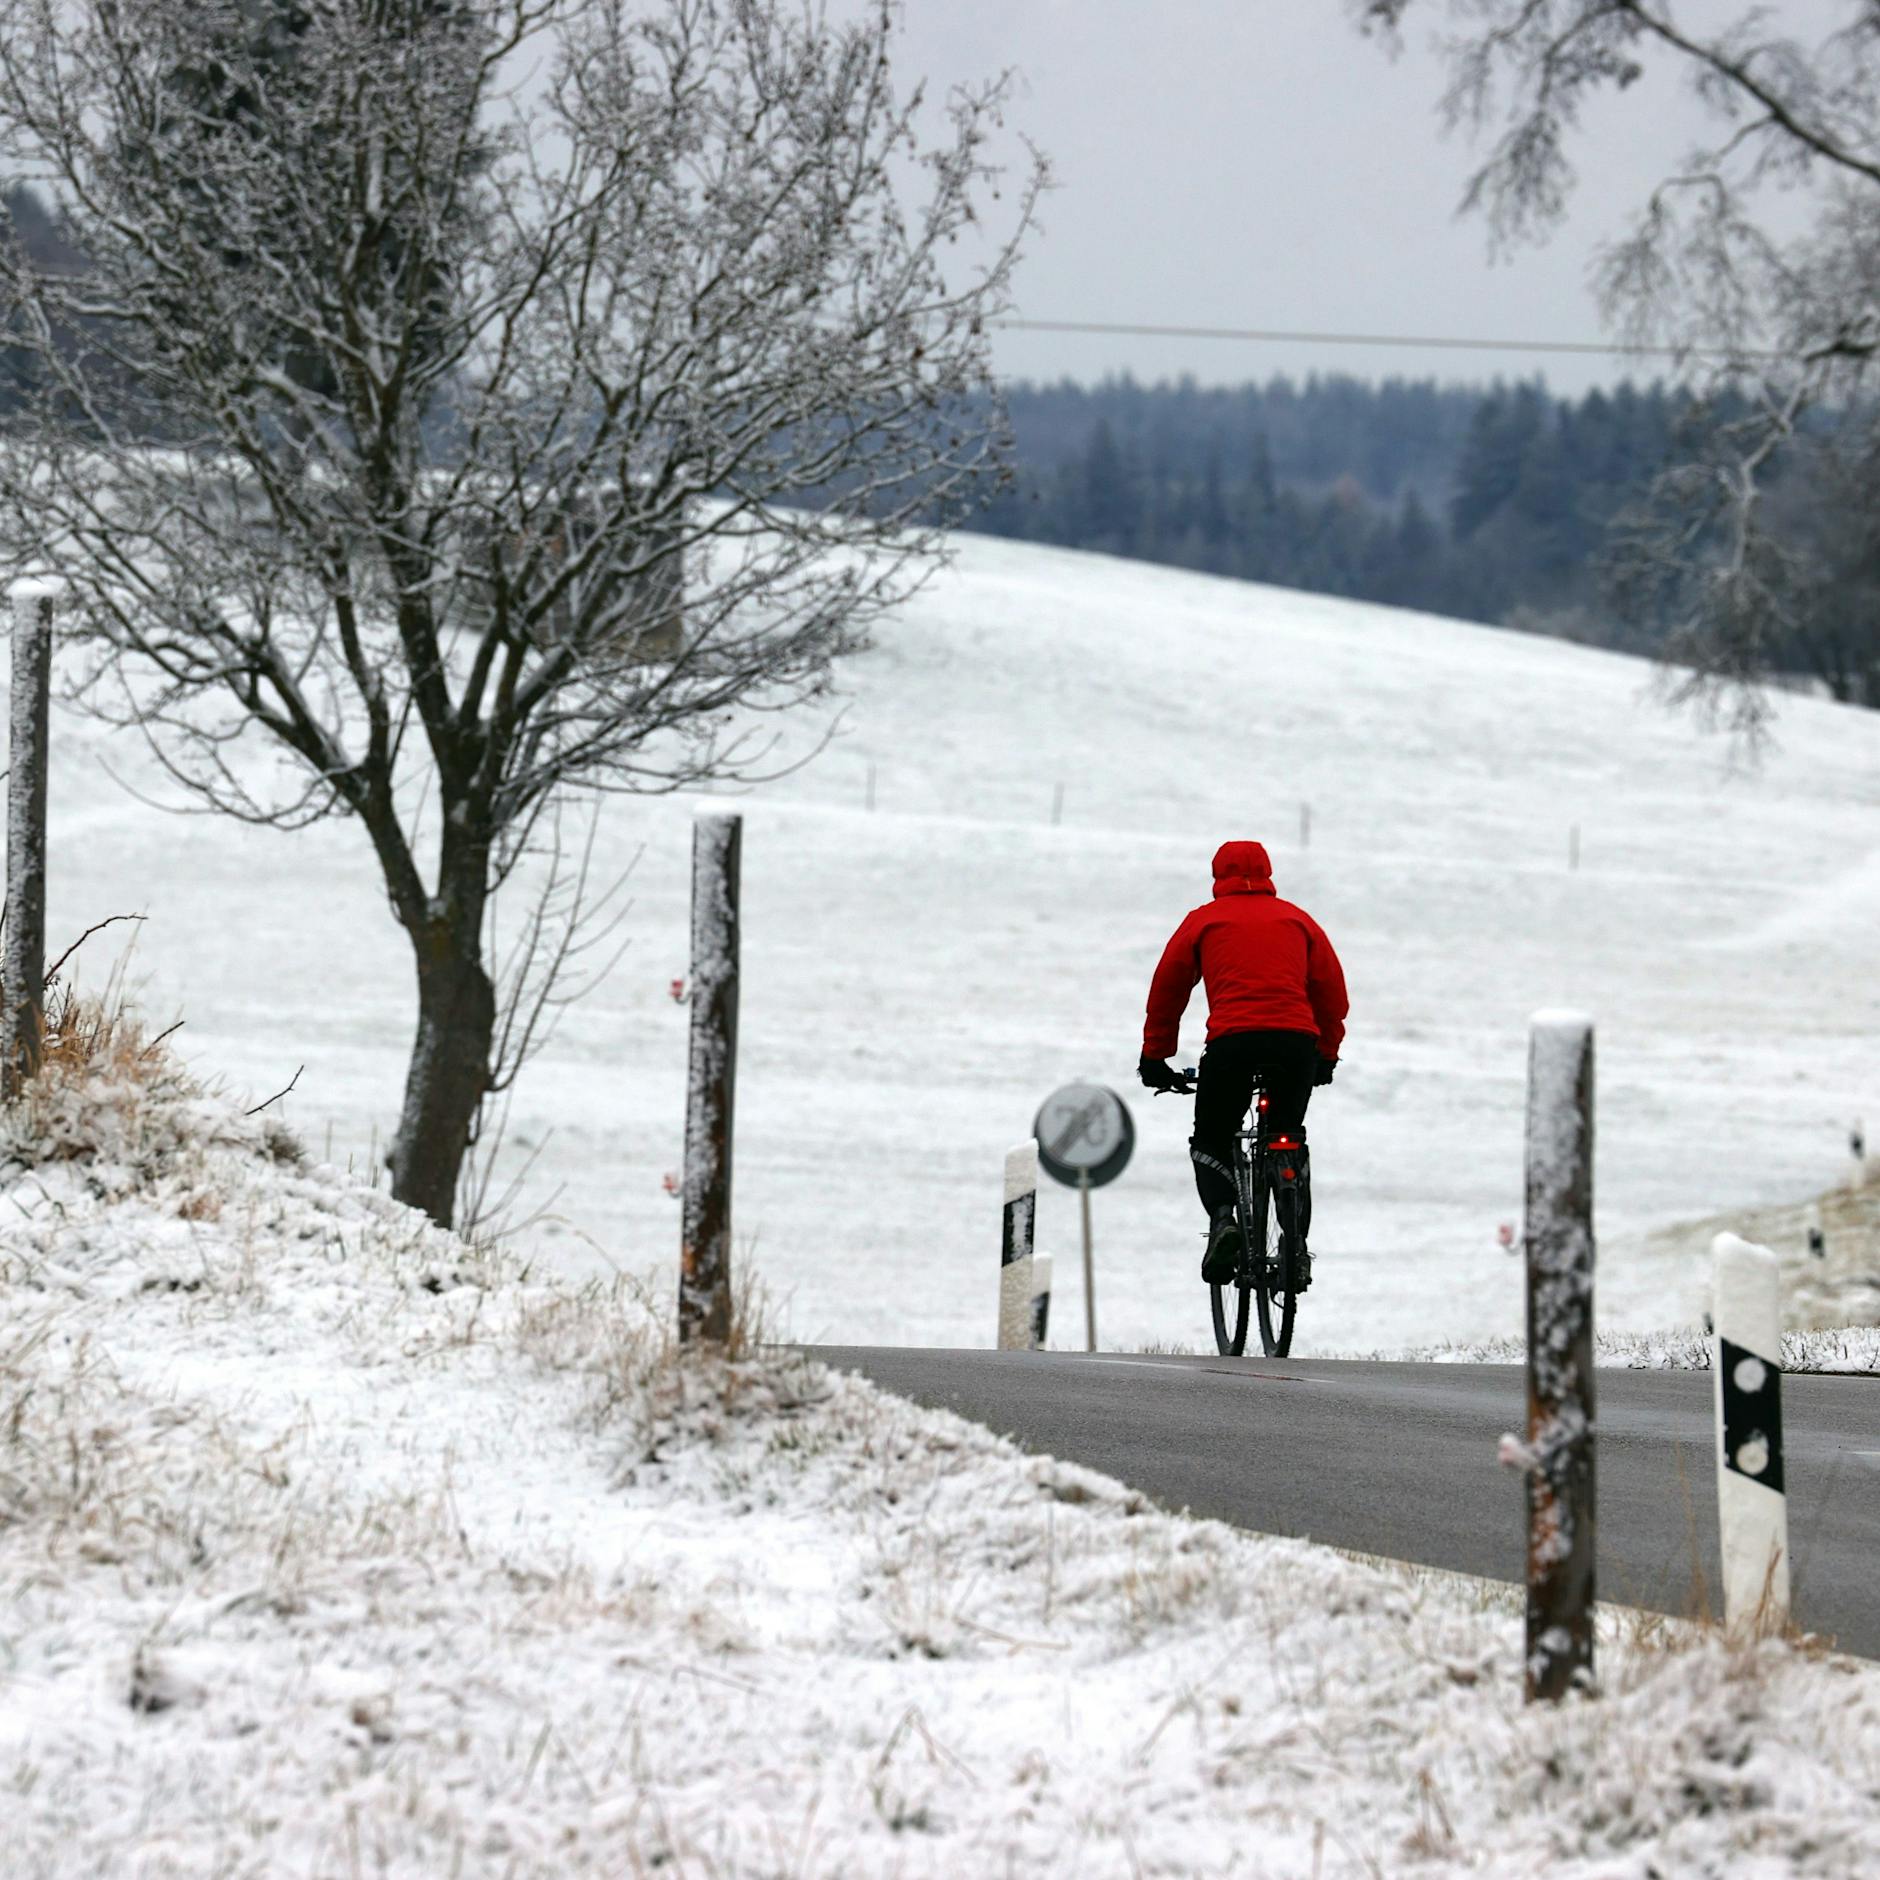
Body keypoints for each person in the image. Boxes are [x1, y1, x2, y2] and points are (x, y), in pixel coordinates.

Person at [1138, 840, 1348, 1284]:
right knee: (1288, 1136)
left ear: (1217, 875)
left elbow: (1168, 991)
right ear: (1269, 872)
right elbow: (1332, 993)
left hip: (1233, 1045)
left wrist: (1156, 1057)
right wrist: (1326, 1054)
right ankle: (1294, 1245)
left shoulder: (1203, 921)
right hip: (1295, 1045)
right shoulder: (1298, 920)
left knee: (1212, 1138)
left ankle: (1223, 1220)